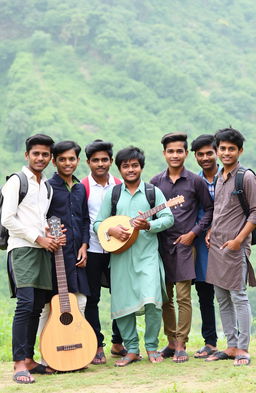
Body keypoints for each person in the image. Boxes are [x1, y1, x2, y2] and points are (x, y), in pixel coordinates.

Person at [94, 146, 174, 366]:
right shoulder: (113, 193)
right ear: (119, 168)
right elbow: (98, 223)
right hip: (120, 257)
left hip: (147, 255)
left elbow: (168, 218)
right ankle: (131, 349)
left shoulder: (152, 192)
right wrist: (110, 231)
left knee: (152, 301)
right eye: (126, 166)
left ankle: (151, 346)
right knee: (122, 304)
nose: (130, 169)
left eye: (134, 165)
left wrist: (149, 224)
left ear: (141, 167)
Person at [1, 133, 60, 384]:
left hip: (42, 250)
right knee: (25, 305)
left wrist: (50, 234)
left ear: (50, 158)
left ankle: (30, 359)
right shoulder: (17, 181)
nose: (40, 158)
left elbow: (39, 219)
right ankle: (18, 364)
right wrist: (38, 238)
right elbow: (7, 219)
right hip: (23, 250)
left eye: (45, 154)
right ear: (27, 155)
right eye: (36, 153)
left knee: (37, 306)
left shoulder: (46, 186)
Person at [151, 132, 213, 363]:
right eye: (171, 151)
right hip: (161, 245)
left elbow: (209, 210)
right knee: (166, 297)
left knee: (184, 296)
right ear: (164, 154)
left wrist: (194, 233)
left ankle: (181, 343)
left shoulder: (195, 181)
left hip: (186, 245)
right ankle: (170, 341)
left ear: (186, 154)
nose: (175, 155)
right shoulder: (156, 182)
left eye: (179, 151)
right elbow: (152, 211)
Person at [205, 127, 256, 366]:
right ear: (217, 151)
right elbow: (220, 209)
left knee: (238, 297)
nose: (226, 153)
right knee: (222, 297)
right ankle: (231, 345)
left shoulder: (245, 176)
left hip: (235, 248)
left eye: (231, 149)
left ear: (240, 151)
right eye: (222, 149)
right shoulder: (218, 176)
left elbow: (255, 212)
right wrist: (211, 230)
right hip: (216, 247)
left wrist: (238, 240)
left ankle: (244, 349)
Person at [38, 140, 90, 342]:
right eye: (62, 159)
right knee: (48, 306)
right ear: (54, 161)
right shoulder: (47, 188)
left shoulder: (79, 189)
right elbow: (39, 218)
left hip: (77, 257)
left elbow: (85, 220)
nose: (67, 163)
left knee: (81, 301)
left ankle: (79, 346)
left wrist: (84, 245)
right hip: (53, 257)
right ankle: (46, 355)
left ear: (78, 160)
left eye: (71, 159)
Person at [82, 140, 126, 365]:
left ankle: (119, 342)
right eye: (96, 160)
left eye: (105, 160)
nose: (100, 164)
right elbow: (82, 220)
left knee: (120, 295)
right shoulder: (82, 187)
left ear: (111, 161)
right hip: (93, 249)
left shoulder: (119, 184)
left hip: (117, 249)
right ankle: (96, 344)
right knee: (92, 298)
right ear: (88, 162)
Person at [190, 134, 219, 358]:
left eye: (210, 153)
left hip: (228, 243)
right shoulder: (195, 181)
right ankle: (210, 342)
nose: (205, 157)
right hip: (201, 246)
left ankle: (237, 340)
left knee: (231, 293)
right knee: (204, 294)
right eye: (201, 154)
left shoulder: (230, 177)